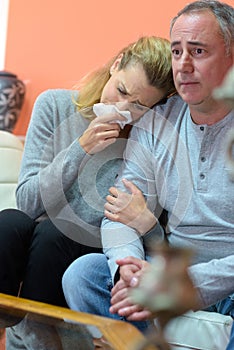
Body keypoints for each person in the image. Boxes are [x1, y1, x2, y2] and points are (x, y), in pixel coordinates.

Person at [62, 1, 234, 348]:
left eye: (198, 51)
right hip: (167, 271)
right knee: (85, 273)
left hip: (225, 280)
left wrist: (185, 285)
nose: (183, 66)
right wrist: (130, 267)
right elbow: (118, 211)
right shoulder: (158, 122)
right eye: (176, 51)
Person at [0, 36, 176, 348]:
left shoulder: (146, 141)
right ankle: (19, 331)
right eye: (121, 91)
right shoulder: (54, 105)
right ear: (117, 64)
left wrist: (143, 221)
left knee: (57, 233)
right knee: (9, 222)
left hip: (88, 243)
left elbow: (147, 234)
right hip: (40, 233)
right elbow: (27, 203)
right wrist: (81, 149)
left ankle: (33, 339)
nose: (123, 109)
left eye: (139, 106)